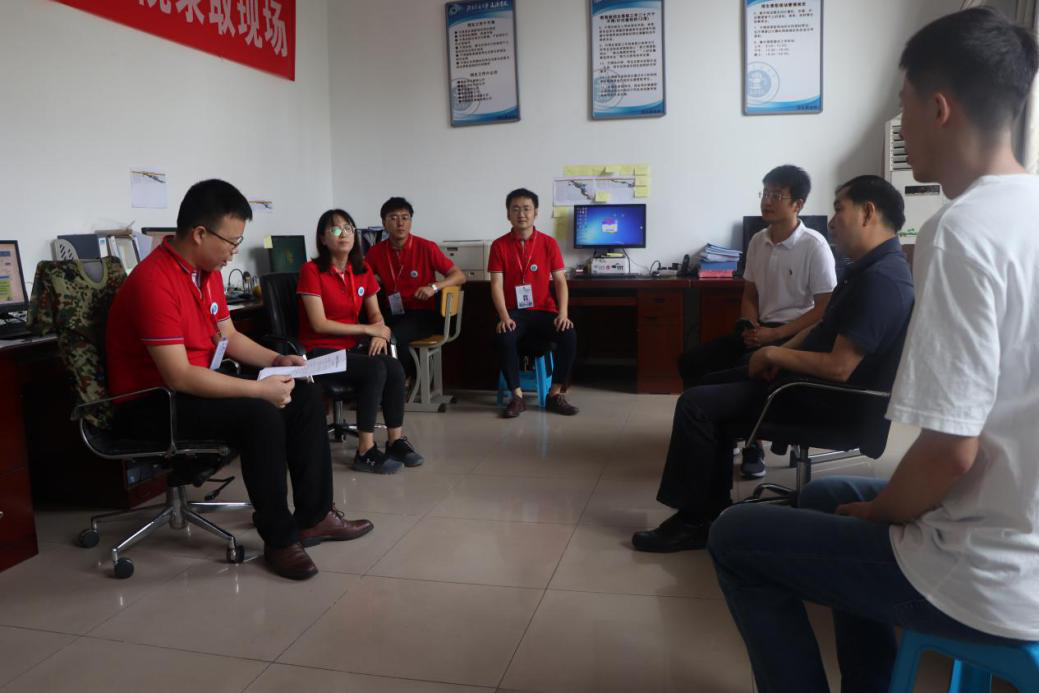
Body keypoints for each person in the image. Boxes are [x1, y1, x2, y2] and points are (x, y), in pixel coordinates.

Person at [708, 9, 1039, 693]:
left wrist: (881, 514)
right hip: (1019, 522)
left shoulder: (960, 230)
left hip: (991, 575)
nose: (902, 125)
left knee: (735, 538)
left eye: (903, 104)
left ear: (938, 108)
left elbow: (950, 452)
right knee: (829, 494)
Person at [633, 175, 914, 555]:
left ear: (868, 213)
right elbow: (821, 327)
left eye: (838, 210)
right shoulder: (868, 269)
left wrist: (774, 353)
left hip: (823, 397)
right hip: (803, 377)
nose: (832, 222)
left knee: (696, 405)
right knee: (706, 381)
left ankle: (694, 521)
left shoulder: (880, 281)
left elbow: (840, 368)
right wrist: (773, 351)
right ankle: (708, 510)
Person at [106, 179, 372, 582]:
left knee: (303, 391)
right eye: (231, 242)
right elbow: (178, 375)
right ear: (200, 234)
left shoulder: (206, 272)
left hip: (195, 386)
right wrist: (259, 389)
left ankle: (315, 517)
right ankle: (280, 539)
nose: (234, 252)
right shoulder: (153, 282)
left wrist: (279, 361)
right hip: (152, 403)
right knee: (259, 414)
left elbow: (229, 337)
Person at [676, 165, 836, 397]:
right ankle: (701, 411)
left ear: (797, 205)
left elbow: (824, 307)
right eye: (765, 193)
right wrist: (750, 326)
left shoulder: (815, 246)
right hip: (761, 330)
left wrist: (775, 334)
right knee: (691, 362)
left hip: (795, 334)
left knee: (729, 373)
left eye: (776, 195)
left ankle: (719, 408)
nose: (766, 201)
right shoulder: (757, 241)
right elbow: (750, 293)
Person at [297, 208, 424, 474]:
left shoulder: (362, 269)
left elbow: (375, 312)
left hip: (349, 349)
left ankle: (395, 441)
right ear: (322, 238)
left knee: (394, 366)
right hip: (318, 353)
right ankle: (365, 450)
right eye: (335, 229)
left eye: (348, 228)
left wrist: (378, 329)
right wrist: (368, 329)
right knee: (374, 368)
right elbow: (319, 323)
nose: (343, 234)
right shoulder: (311, 271)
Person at [489, 188, 578, 418]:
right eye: (515, 209)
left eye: (526, 209)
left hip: (544, 311)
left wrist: (563, 313)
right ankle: (517, 397)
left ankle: (554, 395)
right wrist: (504, 317)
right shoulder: (499, 245)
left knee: (568, 334)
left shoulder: (548, 243)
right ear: (508, 214)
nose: (521, 214)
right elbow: (496, 284)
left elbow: (560, 281)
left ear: (535, 213)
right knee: (504, 336)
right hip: (514, 313)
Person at [364, 197, 466, 380]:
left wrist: (434, 287)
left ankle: (402, 381)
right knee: (368, 336)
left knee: (393, 337)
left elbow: (459, 276)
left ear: (411, 221)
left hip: (422, 314)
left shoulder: (426, 247)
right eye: (393, 218)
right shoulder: (375, 252)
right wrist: (375, 279)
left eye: (405, 217)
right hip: (392, 313)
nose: (400, 223)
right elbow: (362, 279)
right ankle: (384, 382)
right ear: (384, 223)